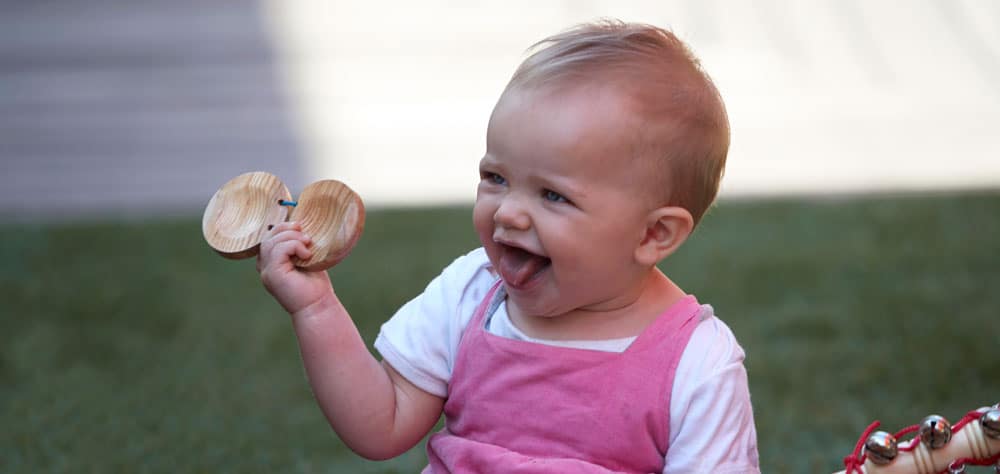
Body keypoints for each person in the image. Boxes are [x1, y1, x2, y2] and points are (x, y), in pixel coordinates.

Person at [257, 19, 759, 473]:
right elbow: (379, 424)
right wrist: (315, 307)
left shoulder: (696, 364)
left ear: (654, 234)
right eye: (495, 177)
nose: (508, 212)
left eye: (553, 195)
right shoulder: (473, 292)